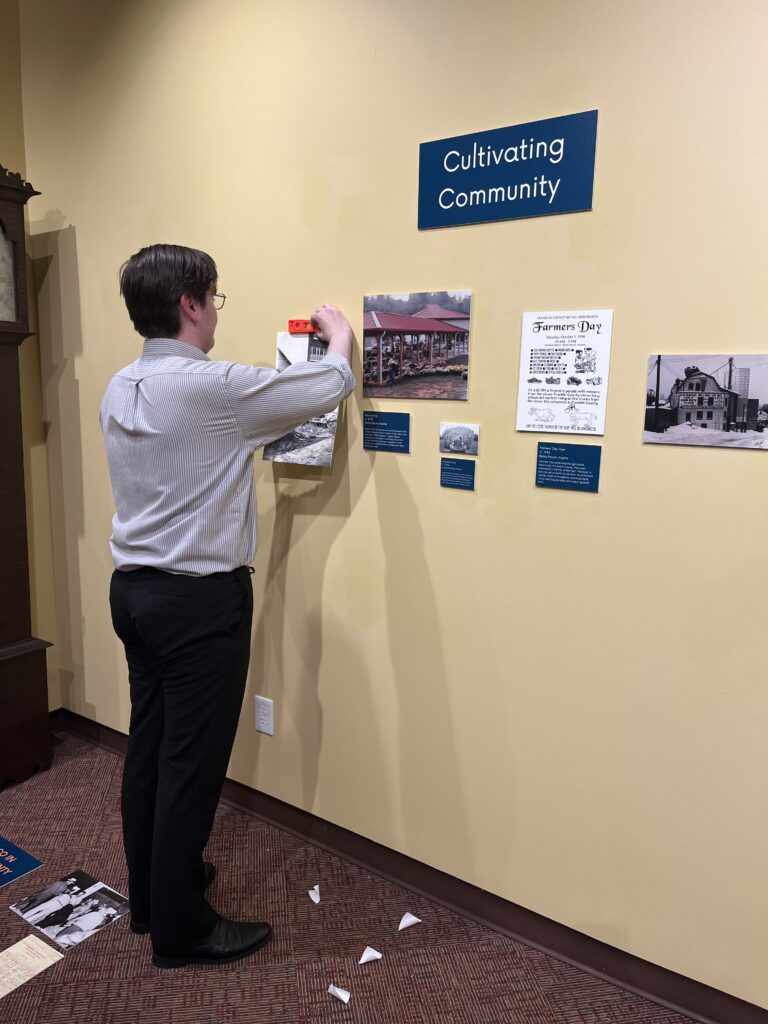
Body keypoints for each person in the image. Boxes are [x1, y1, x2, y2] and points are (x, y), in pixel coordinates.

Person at [101, 244, 355, 969]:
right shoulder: (214, 389)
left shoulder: (120, 388)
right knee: (191, 766)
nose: (216, 312)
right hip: (197, 605)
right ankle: (182, 932)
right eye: (214, 299)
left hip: (135, 596)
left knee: (148, 750)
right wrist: (337, 336)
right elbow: (326, 385)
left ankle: (153, 898)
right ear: (190, 305)